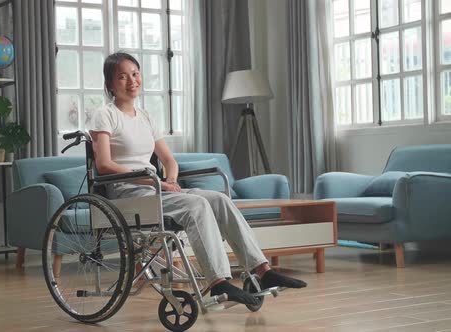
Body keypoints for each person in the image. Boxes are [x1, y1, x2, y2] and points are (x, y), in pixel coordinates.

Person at [89, 52, 306, 305]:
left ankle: (263, 271)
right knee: (197, 205)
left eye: (135, 74)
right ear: (111, 84)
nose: (132, 81)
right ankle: (218, 282)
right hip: (128, 195)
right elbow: (104, 165)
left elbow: (169, 160)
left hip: (156, 189)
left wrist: (169, 179)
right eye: (122, 77)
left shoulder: (145, 117)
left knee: (220, 200)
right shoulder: (105, 115)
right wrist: (153, 182)